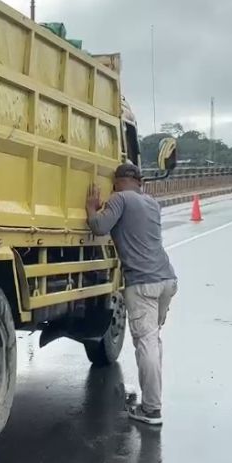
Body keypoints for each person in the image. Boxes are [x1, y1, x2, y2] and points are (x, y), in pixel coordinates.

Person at [86, 163, 178, 426]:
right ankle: (152, 401)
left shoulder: (119, 199)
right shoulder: (151, 203)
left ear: (116, 182)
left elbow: (100, 227)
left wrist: (93, 207)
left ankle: (151, 409)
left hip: (143, 284)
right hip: (167, 280)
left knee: (146, 343)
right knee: (153, 340)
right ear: (140, 181)